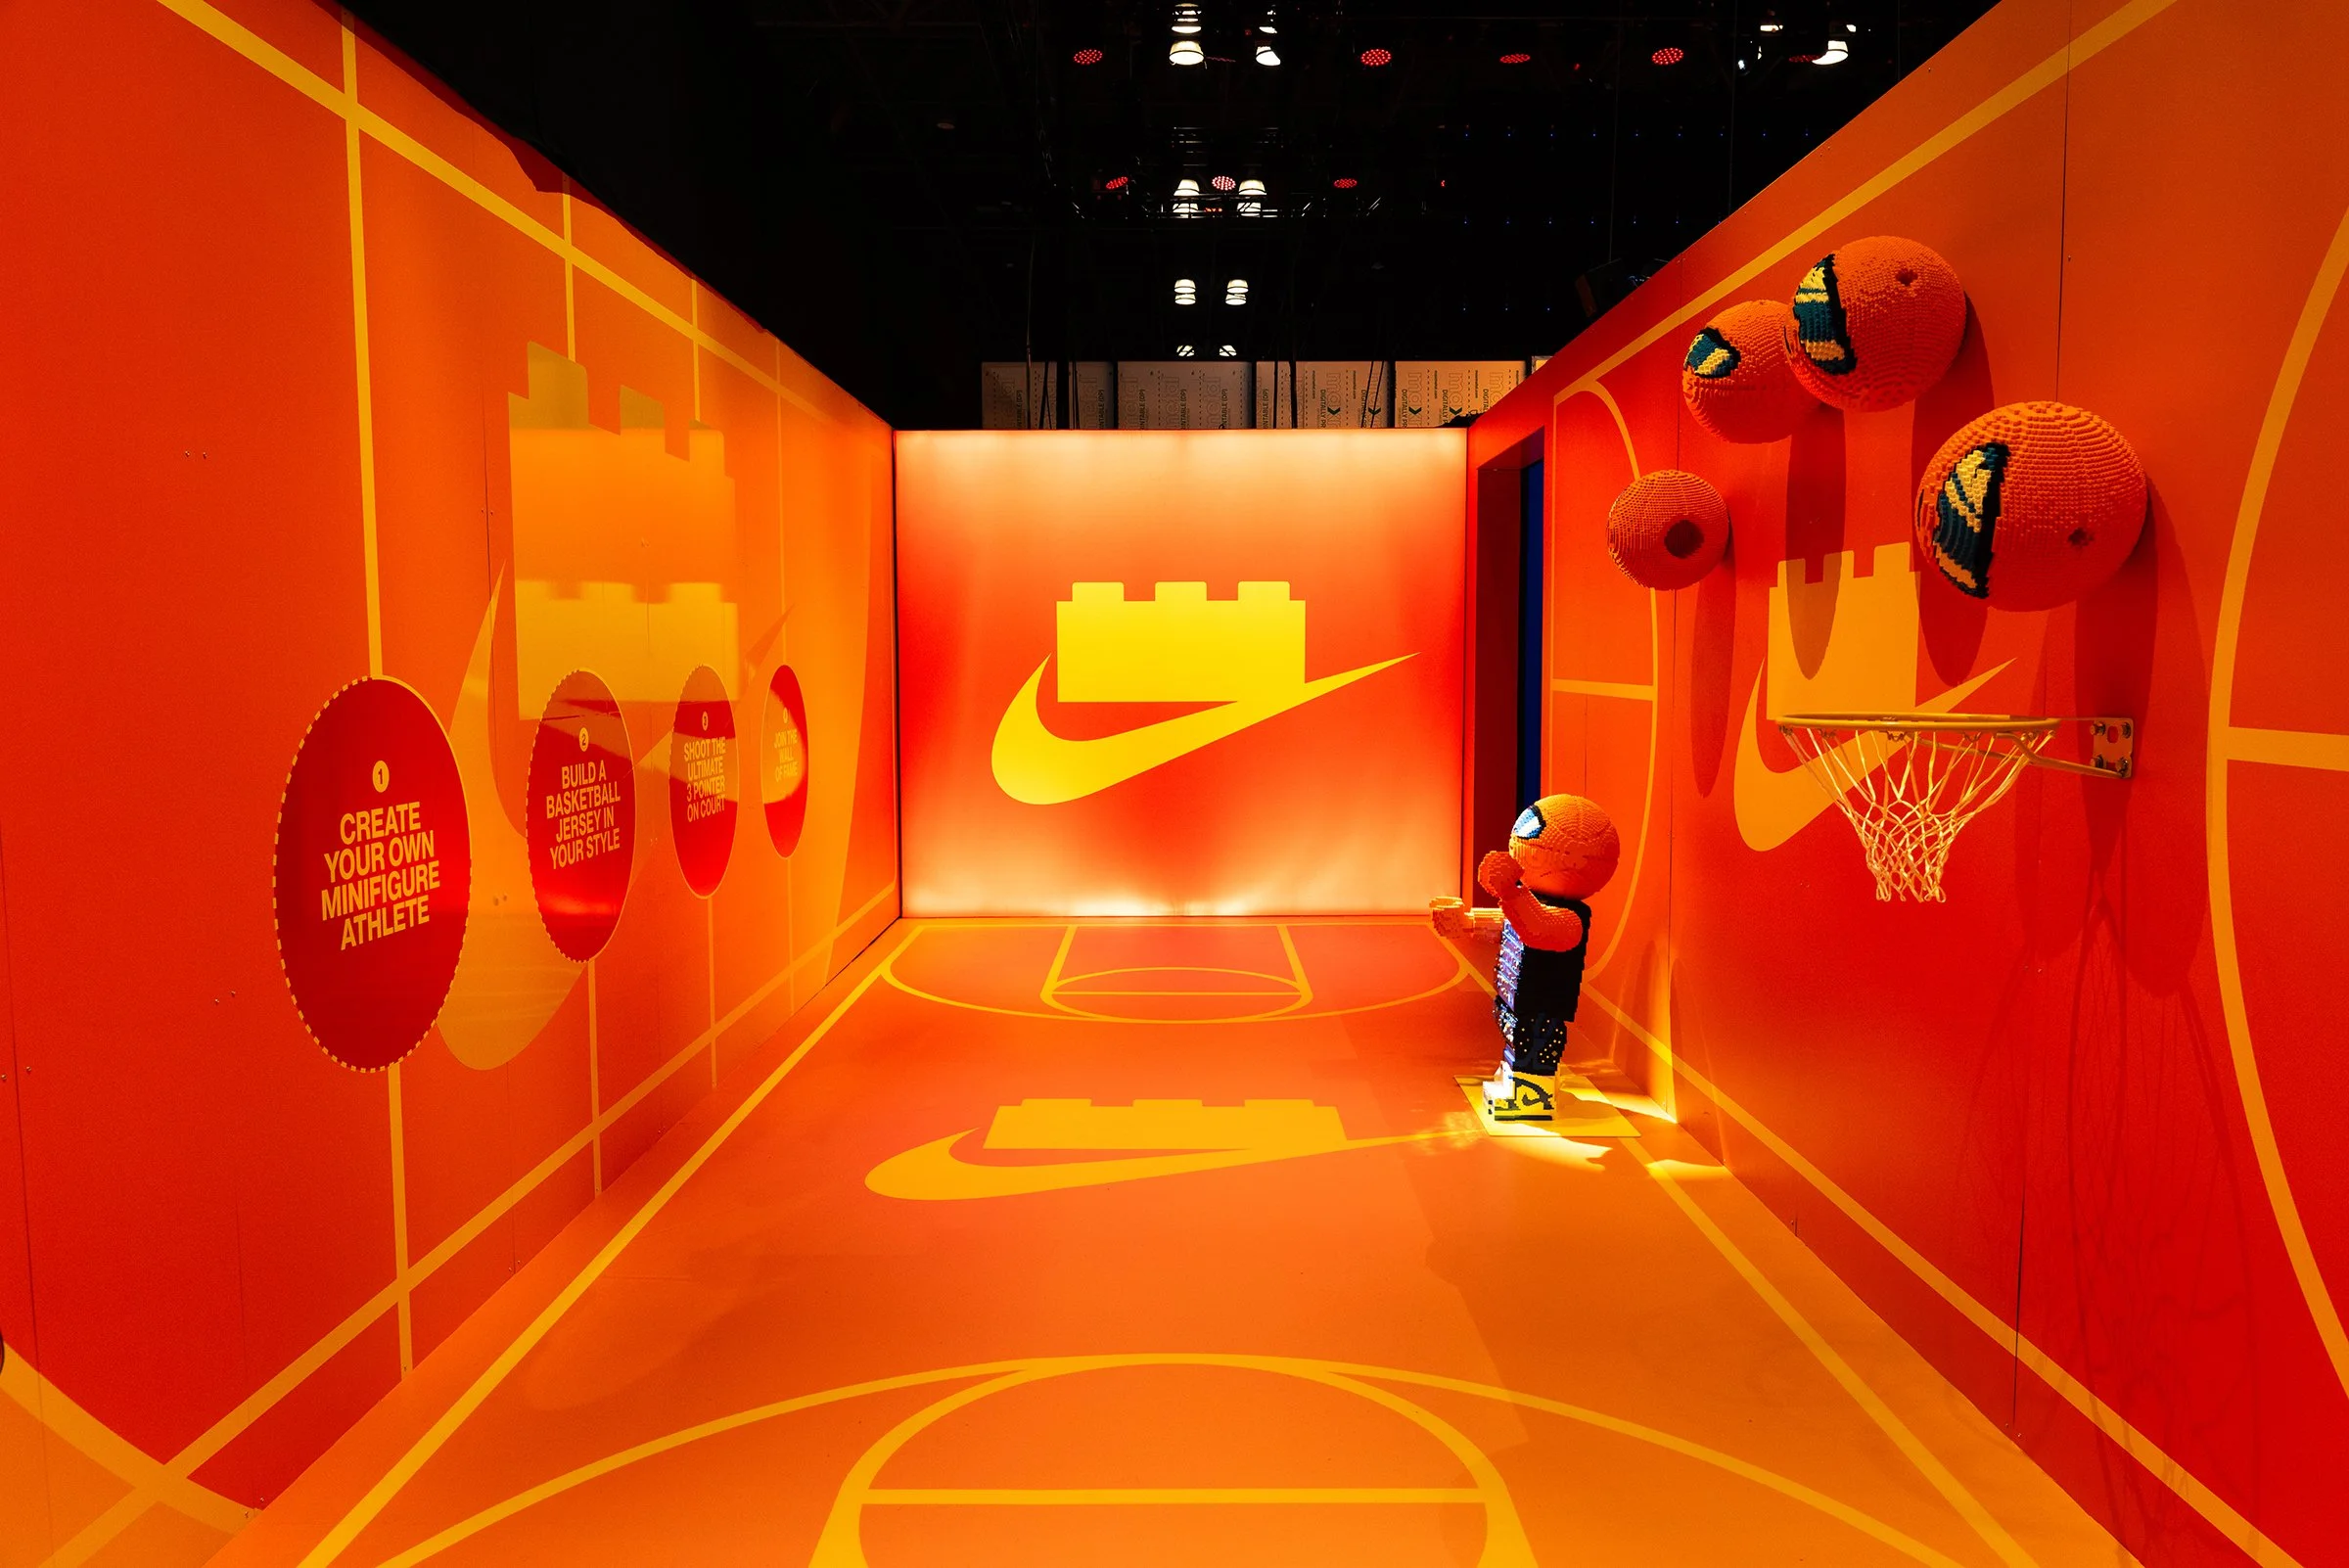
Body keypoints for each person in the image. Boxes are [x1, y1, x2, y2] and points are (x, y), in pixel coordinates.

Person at [1437, 794, 1621, 1123]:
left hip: (1541, 1006)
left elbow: (1538, 928)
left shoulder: (1570, 918)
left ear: (1577, 858)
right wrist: (1468, 922)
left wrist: (1510, 891)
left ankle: (1532, 1095)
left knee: (1534, 1046)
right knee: (1518, 1039)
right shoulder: (1532, 903)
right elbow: (1513, 923)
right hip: (1516, 999)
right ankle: (1515, 1080)